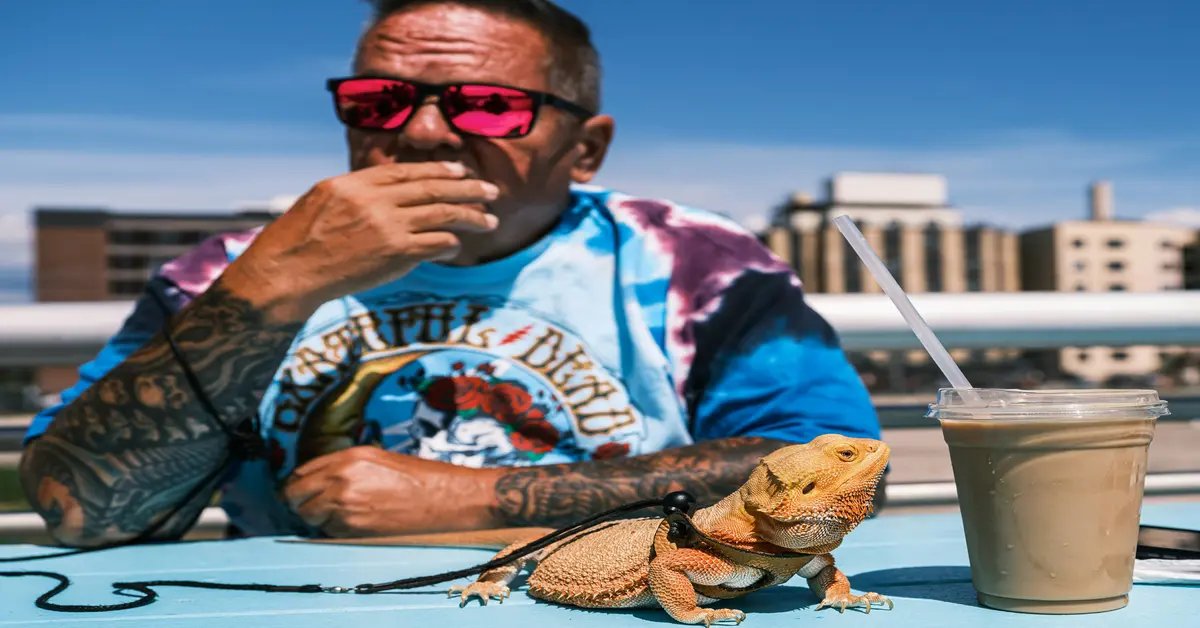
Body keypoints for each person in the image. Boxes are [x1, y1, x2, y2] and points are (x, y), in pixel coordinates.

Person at [19, 0, 883, 547]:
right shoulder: (231, 269)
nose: (424, 132)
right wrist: (269, 289)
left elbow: (835, 473)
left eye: (489, 104)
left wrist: (477, 497)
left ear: (586, 147)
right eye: (377, 100)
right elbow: (76, 509)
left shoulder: (694, 262)